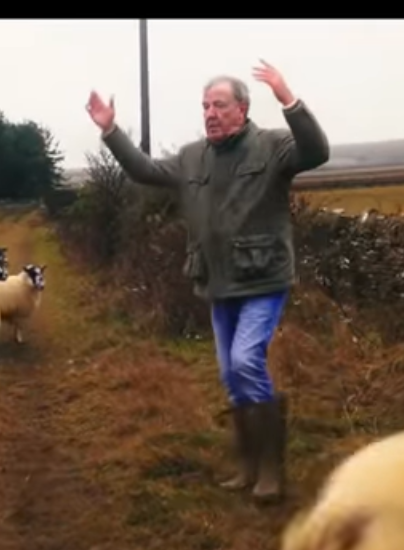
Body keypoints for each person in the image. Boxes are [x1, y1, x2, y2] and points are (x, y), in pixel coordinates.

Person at [84, 61, 329, 503]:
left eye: (219, 105)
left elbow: (316, 151)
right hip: (218, 282)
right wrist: (110, 131)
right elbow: (145, 171)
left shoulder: (271, 146)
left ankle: (272, 471)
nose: (210, 113)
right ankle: (248, 464)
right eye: (205, 107)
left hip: (263, 279)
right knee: (229, 374)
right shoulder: (192, 156)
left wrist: (288, 99)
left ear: (242, 108)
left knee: (245, 361)